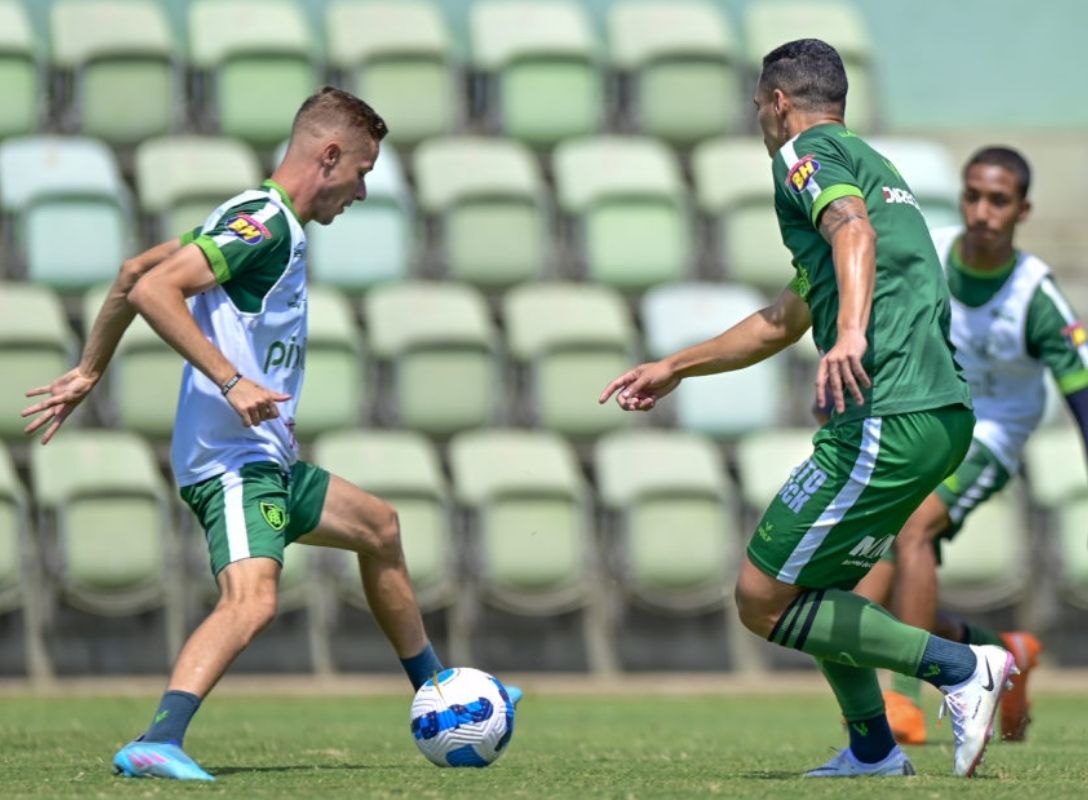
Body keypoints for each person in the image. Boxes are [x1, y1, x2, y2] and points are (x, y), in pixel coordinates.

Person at [21, 87, 517, 782]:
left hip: (267, 455)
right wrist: (231, 379)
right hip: (231, 460)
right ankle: (157, 739)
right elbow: (156, 291)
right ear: (330, 154)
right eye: (363, 171)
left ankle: (439, 691)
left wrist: (88, 370)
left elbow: (137, 271)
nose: (363, 191)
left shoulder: (257, 220)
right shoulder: (264, 222)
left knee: (379, 527)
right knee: (251, 601)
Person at [600, 39, 1013, 779]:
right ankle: (872, 748)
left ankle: (960, 666)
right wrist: (676, 367)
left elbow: (849, 231)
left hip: (889, 410)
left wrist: (851, 331)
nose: (758, 117)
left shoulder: (804, 159)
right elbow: (783, 318)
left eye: (759, 104)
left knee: (762, 598)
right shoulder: (875, 166)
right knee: (813, 588)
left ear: (779, 103)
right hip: (935, 413)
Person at [851, 146, 1088, 745]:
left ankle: (901, 701)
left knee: (912, 529)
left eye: (998, 200)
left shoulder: (1037, 296)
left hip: (992, 436)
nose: (982, 211)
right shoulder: (932, 252)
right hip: (924, 419)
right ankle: (1001, 654)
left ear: (1022, 209)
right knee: (861, 567)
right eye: (973, 195)